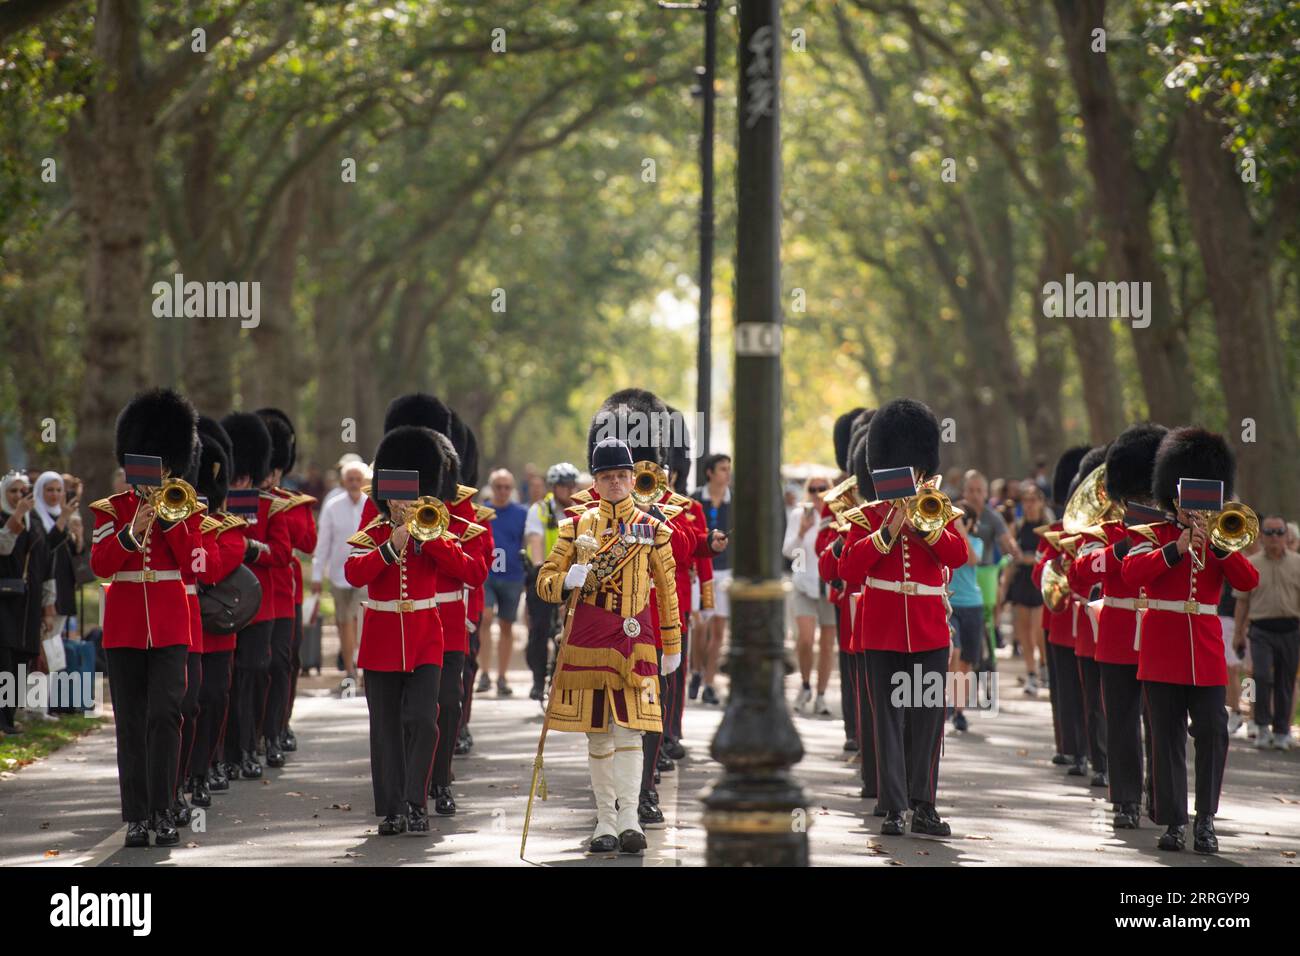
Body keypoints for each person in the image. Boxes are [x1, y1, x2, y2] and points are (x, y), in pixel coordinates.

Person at [535, 436, 681, 855]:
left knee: (632, 730)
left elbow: (667, 590)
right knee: (598, 735)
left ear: (633, 479)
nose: (615, 483)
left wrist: (672, 643)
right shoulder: (575, 527)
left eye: (622, 475)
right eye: (607, 476)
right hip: (589, 642)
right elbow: (544, 583)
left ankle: (631, 817)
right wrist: (567, 580)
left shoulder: (653, 529)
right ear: (595, 482)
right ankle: (604, 819)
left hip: (636, 640)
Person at [1122, 427, 1259, 854]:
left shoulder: (1222, 538)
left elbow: (1248, 580)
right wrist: (1177, 548)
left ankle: (1206, 820)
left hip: (1205, 654)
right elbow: (1131, 574)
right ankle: (1173, 822)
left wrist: (1217, 547)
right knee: (1165, 739)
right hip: (1163, 652)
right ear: (1174, 497)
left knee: (1214, 732)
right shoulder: (1155, 534)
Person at [837, 398, 969, 837]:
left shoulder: (937, 509)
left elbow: (959, 554)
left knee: (928, 719)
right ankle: (894, 807)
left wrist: (925, 527)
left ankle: (924, 804)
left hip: (929, 628)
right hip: (881, 628)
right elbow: (849, 569)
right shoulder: (868, 518)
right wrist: (887, 531)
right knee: (888, 722)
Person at [345, 426, 477, 836]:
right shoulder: (374, 533)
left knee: (424, 719)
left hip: (425, 638)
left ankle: (418, 802)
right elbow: (352, 572)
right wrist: (390, 546)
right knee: (384, 727)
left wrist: (431, 538)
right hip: (382, 639)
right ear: (385, 495)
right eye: (396, 495)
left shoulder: (435, 528)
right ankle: (394, 808)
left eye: (409, 495)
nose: (402, 503)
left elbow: (473, 570)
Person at [89, 388, 204, 848]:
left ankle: (163, 807)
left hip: (172, 626)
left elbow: (197, 564)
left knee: (165, 714)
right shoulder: (110, 511)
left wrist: (170, 521)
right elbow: (99, 565)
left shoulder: (186, 508)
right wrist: (133, 528)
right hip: (125, 630)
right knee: (131, 722)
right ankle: (136, 815)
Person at [1067, 423, 1165, 828]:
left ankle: (1162, 797)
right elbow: (1080, 573)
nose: (1144, 500)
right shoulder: (1106, 531)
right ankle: (1125, 799)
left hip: (1162, 634)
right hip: (1119, 634)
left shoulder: (1171, 530)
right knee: (1122, 720)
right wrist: (1122, 546)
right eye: (1139, 494)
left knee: (1161, 723)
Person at [219, 411, 290, 781]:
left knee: (254, 676)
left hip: (260, 607)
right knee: (224, 682)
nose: (240, 480)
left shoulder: (270, 507)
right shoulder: (216, 506)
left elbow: (281, 554)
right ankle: (226, 752)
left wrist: (250, 547)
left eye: (244, 475)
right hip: (223, 603)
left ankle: (250, 746)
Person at [188, 418, 248, 806]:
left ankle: (206, 765)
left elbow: (208, 568)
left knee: (214, 699)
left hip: (217, 629)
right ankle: (183, 774)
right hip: (184, 627)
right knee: (186, 704)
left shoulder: (229, 529)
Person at [258, 408, 317, 755]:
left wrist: (279, 512)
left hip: (284, 592)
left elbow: (307, 543)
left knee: (284, 661)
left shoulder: (294, 504)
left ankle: (280, 723)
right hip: (248, 592)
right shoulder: (240, 502)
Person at [1033, 446, 1091, 773]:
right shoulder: (1055, 534)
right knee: (1064, 688)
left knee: (1088, 690)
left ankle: (1090, 749)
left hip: (1086, 619)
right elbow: (1037, 575)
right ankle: (1069, 746)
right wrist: (1053, 562)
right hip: (1057, 618)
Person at [1232, 514, 1300, 751]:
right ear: (1261, 536)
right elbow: (1242, 601)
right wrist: (1238, 633)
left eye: (1279, 532)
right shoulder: (1253, 563)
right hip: (1260, 629)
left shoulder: (1297, 563)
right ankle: (1260, 725)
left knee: (1286, 680)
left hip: (1290, 628)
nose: (1274, 538)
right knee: (1258, 675)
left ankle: (1281, 730)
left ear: (1286, 535)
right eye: (1269, 533)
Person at [0, 471, 56, 734]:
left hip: (28, 604)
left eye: (23, 492)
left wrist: (48, 607)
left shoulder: (35, 522)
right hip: (3, 602)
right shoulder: (7, 518)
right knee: (4, 660)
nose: (18, 496)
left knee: (23, 660)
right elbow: (3, 546)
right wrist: (16, 516)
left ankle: (9, 718)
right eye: (13, 491)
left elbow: (46, 567)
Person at [312, 459, 370, 690]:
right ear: (344, 482)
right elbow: (323, 542)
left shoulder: (371, 504)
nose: (355, 484)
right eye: (350, 480)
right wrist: (317, 574)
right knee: (344, 624)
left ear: (364, 481)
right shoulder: (332, 506)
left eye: (358, 479)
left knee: (363, 624)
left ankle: (367, 671)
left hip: (365, 573)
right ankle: (350, 672)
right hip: (339, 575)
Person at [523, 462, 579, 699]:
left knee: (571, 628)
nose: (569, 491)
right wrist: (539, 567)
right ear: (554, 488)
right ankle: (537, 680)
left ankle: (563, 675)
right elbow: (535, 540)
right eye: (563, 486)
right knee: (539, 627)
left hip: (570, 578)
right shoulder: (540, 510)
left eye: (571, 486)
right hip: (543, 575)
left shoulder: (581, 510)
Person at [783, 474, 836, 715]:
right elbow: (788, 551)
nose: (818, 493)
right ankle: (805, 685)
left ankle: (821, 694)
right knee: (804, 640)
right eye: (813, 489)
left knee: (826, 644)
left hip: (829, 584)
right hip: (803, 583)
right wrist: (802, 532)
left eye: (822, 488)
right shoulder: (798, 515)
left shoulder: (836, 515)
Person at [477, 468, 527, 696]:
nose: (503, 491)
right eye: (499, 487)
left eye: (507, 487)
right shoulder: (482, 511)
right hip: (486, 575)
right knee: (485, 619)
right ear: (491, 488)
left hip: (513, 575)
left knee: (506, 625)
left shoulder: (521, 513)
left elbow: (526, 540)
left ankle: (502, 676)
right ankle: (484, 672)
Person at [689, 453, 732, 704]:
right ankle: (696, 670)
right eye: (723, 469)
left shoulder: (733, 500)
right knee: (700, 625)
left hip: (725, 571)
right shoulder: (695, 499)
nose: (727, 473)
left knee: (718, 629)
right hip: (702, 571)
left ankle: (709, 682)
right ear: (710, 473)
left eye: (729, 469)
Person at [1003, 481, 1047, 696]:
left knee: (1038, 633)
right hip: (1021, 582)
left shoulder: (1047, 528)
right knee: (1024, 633)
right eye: (1025, 501)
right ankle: (1031, 674)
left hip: (1040, 584)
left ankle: (1044, 667)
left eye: (1032, 500)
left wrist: (1031, 559)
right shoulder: (1018, 527)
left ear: (1040, 502)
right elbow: (1011, 558)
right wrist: (1003, 588)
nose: (1029, 505)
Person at [947, 507, 985, 732]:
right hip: (952, 604)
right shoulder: (948, 540)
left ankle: (959, 710)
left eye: (962, 520)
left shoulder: (976, 541)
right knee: (955, 652)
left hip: (973, 605)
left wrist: (961, 529)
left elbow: (971, 559)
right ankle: (950, 702)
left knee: (966, 661)